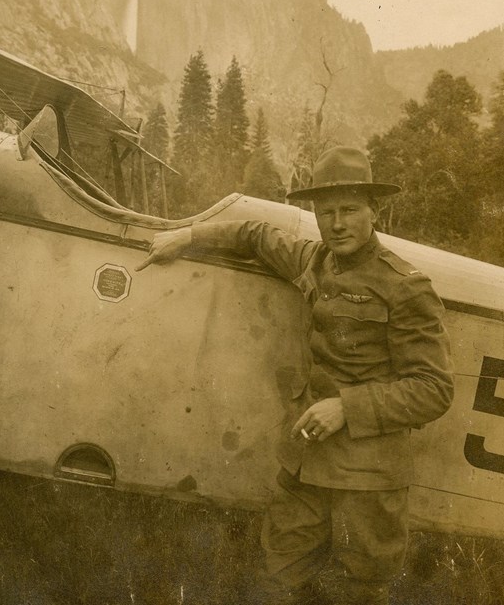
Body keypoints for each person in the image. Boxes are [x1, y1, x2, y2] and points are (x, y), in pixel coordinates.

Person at [136, 146, 454, 605]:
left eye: (349, 210)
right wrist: (186, 236)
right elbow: (254, 234)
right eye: (326, 213)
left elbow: (434, 389)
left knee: (355, 595)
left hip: (367, 483)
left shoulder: (405, 286)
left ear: (374, 212)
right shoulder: (316, 261)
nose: (337, 223)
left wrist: (348, 407)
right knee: (274, 587)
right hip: (305, 465)